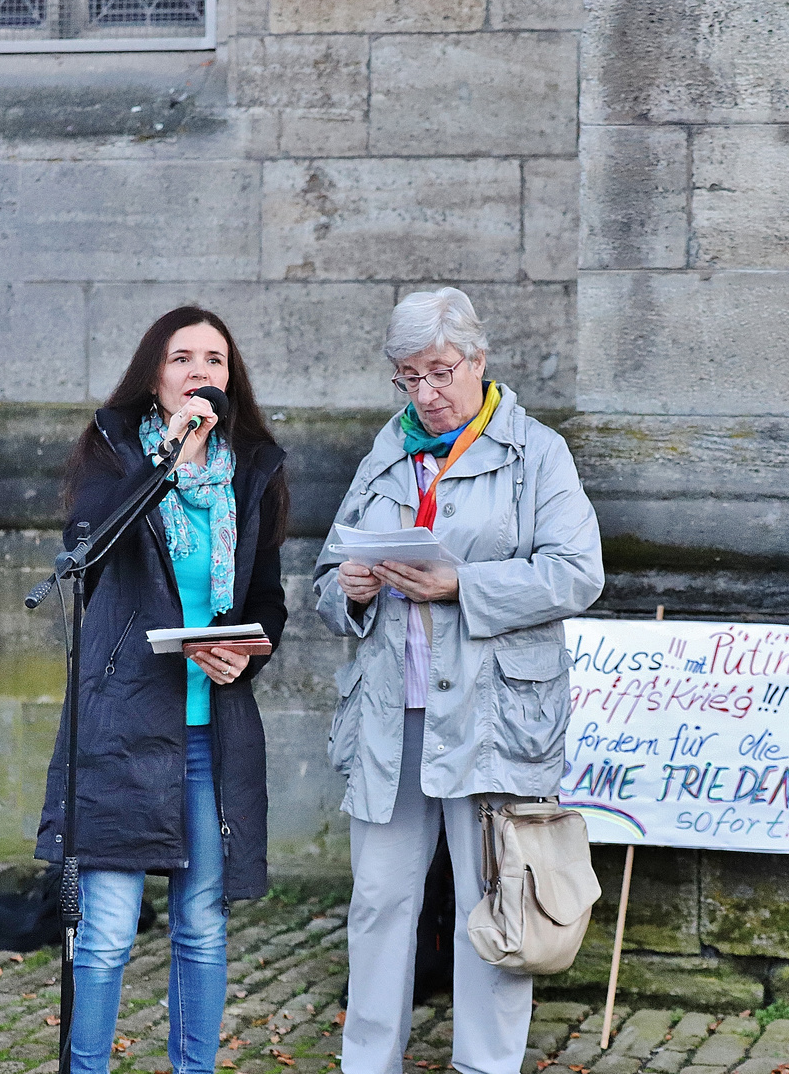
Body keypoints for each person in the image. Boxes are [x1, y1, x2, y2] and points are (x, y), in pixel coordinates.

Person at [313, 287, 604, 1074]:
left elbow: (578, 574)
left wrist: (462, 586)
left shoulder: (534, 451)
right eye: (408, 378)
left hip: (493, 715)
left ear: (478, 361)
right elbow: (323, 578)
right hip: (390, 717)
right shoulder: (387, 450)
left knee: (493, 898)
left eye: (439, 372)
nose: (426, 395)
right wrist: (350, 589)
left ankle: (486, 1066)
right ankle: (366, 1063)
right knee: (378, 901)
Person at [35, 306, 290, 1074]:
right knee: (108, 930)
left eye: (214, 357)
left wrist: (247, 653)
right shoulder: (114, 455)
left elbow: (268, 598)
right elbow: (89, 549)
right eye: (183, 357)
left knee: (202, 925)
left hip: (211, 727)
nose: (200, 370)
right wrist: (168, 460)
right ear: (156, 375)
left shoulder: (253, 468)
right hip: (121, 727)